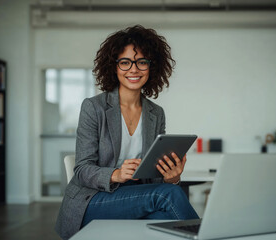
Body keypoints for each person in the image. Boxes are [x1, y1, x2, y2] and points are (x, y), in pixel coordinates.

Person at [55, 25, 199, 239]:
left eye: (142, 62)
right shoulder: (94, 107)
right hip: (93, 201)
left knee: (167, 219)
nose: (134, 69)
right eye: (125, 62)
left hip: (135, 199)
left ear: (152, 67)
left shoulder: (156, 113)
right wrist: (116, 174)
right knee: (169, 196)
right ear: (113, 67)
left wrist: (172, 178)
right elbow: (82, 169)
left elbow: (153, 180)